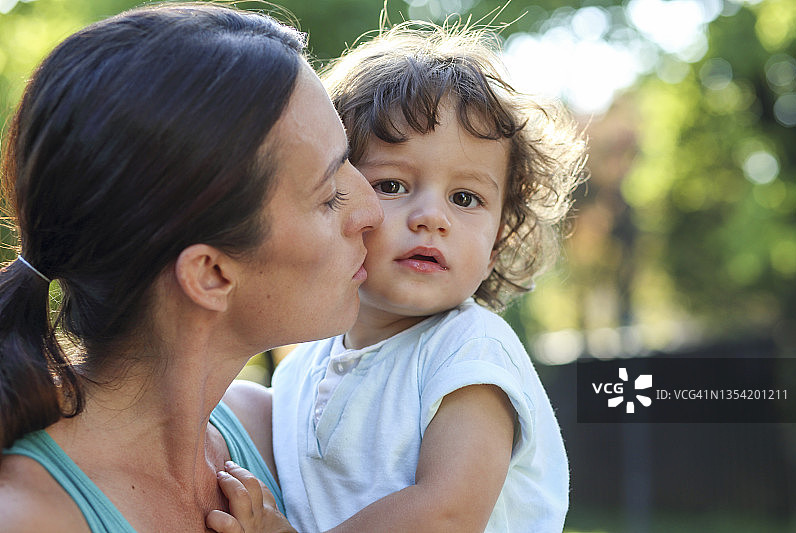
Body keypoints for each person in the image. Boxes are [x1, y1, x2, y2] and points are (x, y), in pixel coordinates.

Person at [0, 3, 382, 532]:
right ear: (210, 275)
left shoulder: (282, 435)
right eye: (329, 195)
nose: (372, 211)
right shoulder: (32, 517)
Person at [269, 21, 587, 532]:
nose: (431, 217)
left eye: (465, 198)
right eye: (393, 184)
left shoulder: (470, 348)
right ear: (333, 200)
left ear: (497, 243)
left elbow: (450, 511)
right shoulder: (298, 368)